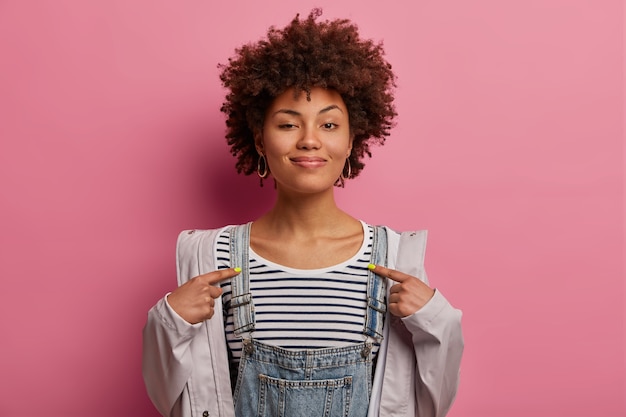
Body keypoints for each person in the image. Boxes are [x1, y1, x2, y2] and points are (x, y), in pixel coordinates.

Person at [143, 9, 463, 417]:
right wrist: (169, 321)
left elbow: (434, 402)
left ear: (351, 141)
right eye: (289, 124)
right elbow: (166, 395)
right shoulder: (212, 255)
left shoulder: (394, 257)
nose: (310, 141)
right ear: (260, 140)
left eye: (329, 126)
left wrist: (436, 319)